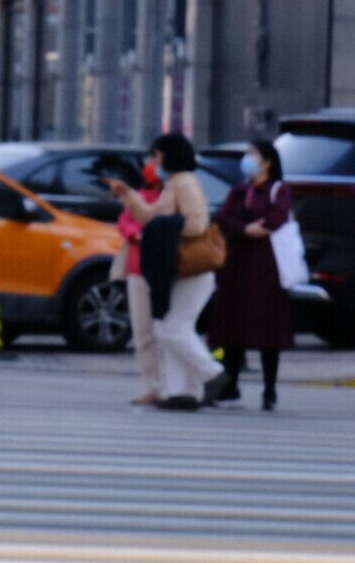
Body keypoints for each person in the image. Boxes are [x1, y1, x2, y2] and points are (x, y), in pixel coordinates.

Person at [211, 135, 301, 412]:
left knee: (267, 331)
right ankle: (230, 384)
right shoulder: (239, 190)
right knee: (231, 329)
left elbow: (275, 220)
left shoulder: (278, 190)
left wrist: (245, 227)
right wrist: (246, 229)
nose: (246, 159)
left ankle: (269, 390)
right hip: (235, 264)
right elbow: (223, 218)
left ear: (267, 161)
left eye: (252, 154)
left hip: (265, 268)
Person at [129, 135, 217, 411]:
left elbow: (197, 225)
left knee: (170, 328)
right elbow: (151, 217)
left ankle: (213, 375)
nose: (153, 163)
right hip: (178, 270)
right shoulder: (173, 184)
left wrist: (166, 228)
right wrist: (128, 197)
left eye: (156, 156)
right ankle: (183, 393)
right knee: (173, 327)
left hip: (194, 268)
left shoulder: (186, 183)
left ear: (169, 155)